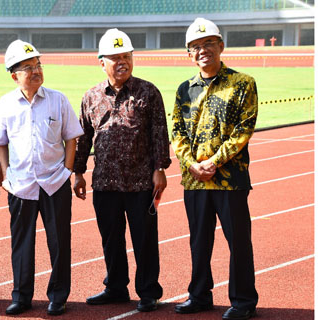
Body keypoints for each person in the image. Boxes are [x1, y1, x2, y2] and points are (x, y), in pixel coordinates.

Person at [73, 28, 171, 313]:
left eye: (126, 56)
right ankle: (115, 287)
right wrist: (78, 173)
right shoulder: (90, 96)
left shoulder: (148, 92)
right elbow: (83, 138)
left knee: (144, 239)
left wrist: (160, 169)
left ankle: (149, 291)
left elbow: (159, 133)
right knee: (111, 239)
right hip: (104, 183)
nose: (122, 62)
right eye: (115, 58)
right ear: (101, 61)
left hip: (141, 182)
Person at [171, 18, 259, 320]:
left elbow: (243, 130)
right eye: (195, 47)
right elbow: (177, 132)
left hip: (230, 181)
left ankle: (244, 300)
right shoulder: (185, 89)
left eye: (208, 43)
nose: (202, 50)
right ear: (189, 55)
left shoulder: (242, 83)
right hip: (194, 181)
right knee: (199, 241)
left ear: (221, 46)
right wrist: (192, 164)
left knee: (238, 242)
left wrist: (213, 162)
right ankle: (199, 295)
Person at [0, 39, 83, 316]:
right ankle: (21, 296)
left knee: (59, 242)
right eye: (28, 67)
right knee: (22, 243)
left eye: (38, 65)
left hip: (55, 182)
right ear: (14, 75)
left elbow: (71, 138)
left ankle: (58, 296)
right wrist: (6, 173)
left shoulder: (58, 99)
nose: (36, 71)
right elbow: (0, 142)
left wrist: (67, 170)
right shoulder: (6, 104)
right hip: (21, 186)